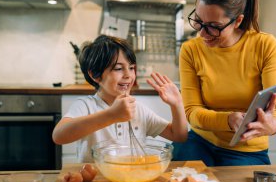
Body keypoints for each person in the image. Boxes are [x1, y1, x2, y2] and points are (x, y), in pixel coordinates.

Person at [173, 0, 276, 166]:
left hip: (247, 149)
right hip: (200, 142)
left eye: (213, 26)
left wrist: (272, 124)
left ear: (238, 21)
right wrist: (228, 120)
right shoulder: (190, 50)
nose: (202, 33)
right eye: (198, 21)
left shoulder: (265, 45)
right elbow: (192, 112)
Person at [52, 35, 188, 162]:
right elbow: (58, 136)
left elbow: (178, 135)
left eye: (131, 67)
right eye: (118, 68)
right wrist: (111, 115)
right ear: (95, 75)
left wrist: (177, 104)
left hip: (130, 181)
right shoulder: (86, 105)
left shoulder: (138, 109)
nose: (128, 75)